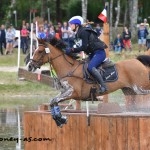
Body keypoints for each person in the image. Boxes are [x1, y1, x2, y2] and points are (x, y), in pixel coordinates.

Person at [65, 16, 108, 93]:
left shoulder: (83, 32)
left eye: (71, 24)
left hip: (99, 53)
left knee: (91, 67)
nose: (70, 26)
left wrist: (72, 50)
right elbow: (80, 46)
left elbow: (84, 47)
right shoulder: (79, 32)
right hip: (93, 54)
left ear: (76, 25)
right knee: (83, 66)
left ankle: (104, 86)